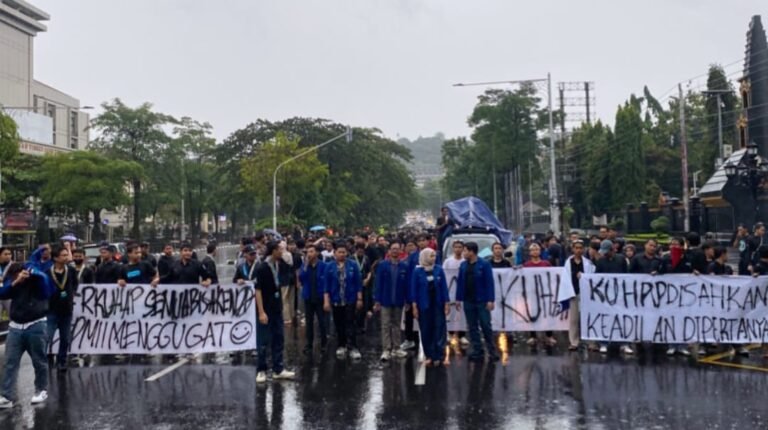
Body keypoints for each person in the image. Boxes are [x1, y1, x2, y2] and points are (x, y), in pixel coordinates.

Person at [0, 262, 56, 407]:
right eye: (13, 276)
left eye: (18, 274)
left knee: (39, 360)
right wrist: (15, 282)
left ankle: (41, 390)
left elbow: (47, 290)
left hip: (36, 324)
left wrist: (35, 274)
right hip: (15, 327)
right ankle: (7, 396)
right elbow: (2, 293)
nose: (16, 277)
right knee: (10, 362)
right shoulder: (13, 284)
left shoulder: (36, 282)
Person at [255, 241, 295, 383]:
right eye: (280, 249)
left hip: (277, 308)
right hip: (265, 309)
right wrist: (261, 312)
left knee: (278, 338)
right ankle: (261, 369)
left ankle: (278, 369)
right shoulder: (262, 267)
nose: (282, 252)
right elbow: (258, 290)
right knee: (263, 341)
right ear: (273, 251)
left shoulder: (279, 264)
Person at [455, 242, 499, 362]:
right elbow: (460, 283)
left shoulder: (484, 264)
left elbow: (489, 283)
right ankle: (478, 350)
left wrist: (490, 299)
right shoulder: (463, 265)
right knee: (472, 327)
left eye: (465, 251)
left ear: (472, 252)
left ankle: (491, 351)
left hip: (482, 301)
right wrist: (458, 298)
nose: (463, 253)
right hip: (468, 300)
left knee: (485, 326)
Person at [324, 240, 364, 360]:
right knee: (339, 323)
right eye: (339, 252)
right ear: (335, 253)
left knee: (350, 323)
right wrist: (326, 301)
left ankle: (353, 347)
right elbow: (326, 285)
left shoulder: (352, 265)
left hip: (350, 299)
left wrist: (359, 298)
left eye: (344, 252)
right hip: (336, 299)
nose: (342, 254)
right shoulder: (329, 266)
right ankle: (341, 345)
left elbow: (358, 283)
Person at [411, 248, 450, 366]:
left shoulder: (439, 269)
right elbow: (414, 290)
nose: (433, 258)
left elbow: (444, 287)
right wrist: (414, 306)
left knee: (439, 329)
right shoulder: (417, 271)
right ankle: (429, 355)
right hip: (424, 305)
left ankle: (439, 355)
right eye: (431, 256)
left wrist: (446, 303)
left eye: (434, 256)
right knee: (426, 329)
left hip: (437, 304)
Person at [595, 239, 633, 355]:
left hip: (620, 294)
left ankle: (624, 343)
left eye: (606, 251)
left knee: (622, 318)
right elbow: (596, 277)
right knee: (605, 318)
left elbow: (627, 275)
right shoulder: (600, 261)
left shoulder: (621, 259)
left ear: (612, 249)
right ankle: (604, 343)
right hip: (605, 295)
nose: (605, 254)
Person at [373, 241, 410, 362]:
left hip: (399, 300)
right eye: (393, 249)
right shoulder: (383, 265)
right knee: (385, 324)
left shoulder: (404, 266)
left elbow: (407, 285)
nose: (395, 251)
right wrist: (377, 300)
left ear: (401, 251)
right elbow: (378, 283)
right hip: (385, 300)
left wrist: (408, 300)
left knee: (396, 324)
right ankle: (386, 349)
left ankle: (396, 347)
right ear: (389, 251)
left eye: (397, 249)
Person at [46, 245, 79, 371]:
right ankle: (45, 359)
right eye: (63, 255)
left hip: (67, 310)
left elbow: (75, 283)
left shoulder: (70, 270)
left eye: (66, 255)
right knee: (48, 337)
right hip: (52, 310)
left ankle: (62, 361)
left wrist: (71, 293)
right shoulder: (48, 272)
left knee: (65, 338)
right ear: (55, 258)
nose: (66, 257)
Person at [522, 242, 557, 347]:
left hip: (545, 293)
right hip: (531, 293)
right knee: (531, 314)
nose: (535, 251)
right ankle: (533, 336)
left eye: (537, 249)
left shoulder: (546, 264)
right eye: (532, 250)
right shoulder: (526, 265)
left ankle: (549, 335)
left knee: (547, 314)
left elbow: (552, 276)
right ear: (529, 252)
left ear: (540, 251)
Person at [562, 240, 594, 351]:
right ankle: (574, 342)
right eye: (576, 248)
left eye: (580, 248)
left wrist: (584, 276)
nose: (578, 250)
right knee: (573, 320)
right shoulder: (568, 262)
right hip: (573, 292)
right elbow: (565, 278)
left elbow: (592, 277)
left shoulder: (588, 263)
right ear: (573, 249)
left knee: (587, 318)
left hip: (585, 294)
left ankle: (590, 342)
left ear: (583, 249)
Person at [299, 245, 328, 355]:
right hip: (308, 297)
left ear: (316, 253)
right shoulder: (305, 265)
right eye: (308, 252)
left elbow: (326, 282)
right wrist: (305, 266)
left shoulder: (323, 266)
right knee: (309, 322)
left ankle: (324, 343)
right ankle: (309, 344)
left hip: (320, 297)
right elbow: (301, 278)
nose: (309, 254)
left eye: (311, 251)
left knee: (322, 322)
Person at [403, 234, 429, 351]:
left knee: (427, 317)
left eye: (424, 240)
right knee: (409, 316)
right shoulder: (413, 257)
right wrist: (408, 295)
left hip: (428, 291)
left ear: (427, 242)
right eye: (419, 241)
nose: (422, 243)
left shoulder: (433, 255)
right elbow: (408, 276)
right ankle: (410, 339)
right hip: (413, 291)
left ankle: (428, 339)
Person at [352, 243, 373, 332]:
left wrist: (368, 279)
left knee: (364, 304)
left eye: (362, 249)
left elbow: (369, 271)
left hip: (364, 284)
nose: (360, 251)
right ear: (356, 249)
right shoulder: (351, 259)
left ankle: (362, 325)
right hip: (354, 285)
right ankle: (354, 324)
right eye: (359, 249)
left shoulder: (366, 258)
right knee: (354, 305)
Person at [0, 247, 13, 321]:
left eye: (9, 254)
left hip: (9, 295)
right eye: (5, 254)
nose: (8, 256)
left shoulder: (13, 266)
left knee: (13, 318)